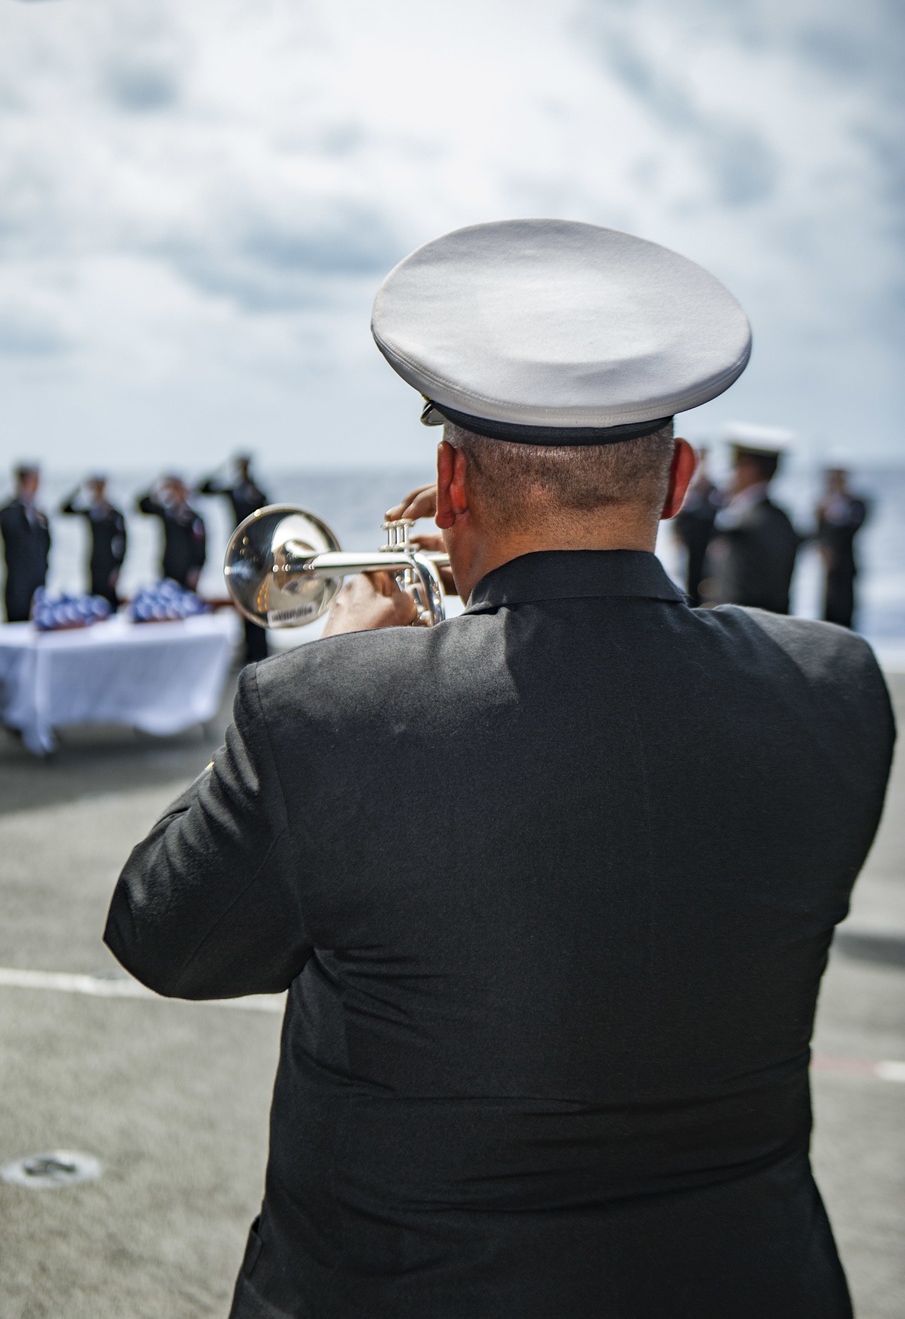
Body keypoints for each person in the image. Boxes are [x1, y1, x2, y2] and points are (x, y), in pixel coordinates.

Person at [105, 221, 895, 1319]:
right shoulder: (836, 687)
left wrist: (339, 656)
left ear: (449, 478)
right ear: (676, 477)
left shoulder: (325, 711)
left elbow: (165, 936)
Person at [704, 428, 801, 613]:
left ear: (750, 470)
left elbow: (767, 594)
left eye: (735, 465)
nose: (730, 474)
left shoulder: (766, 522)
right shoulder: (747, 515)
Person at [199, 455, 270, 660]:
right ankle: (248, 650)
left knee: (258, 600)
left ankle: (261, 650)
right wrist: (222, 468)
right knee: (242, 599)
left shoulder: (257, 491)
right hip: (237, 551)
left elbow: (268, 515)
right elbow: (203, 488)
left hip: (257, 554)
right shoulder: (233, 490)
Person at [60, 475, 127, 611]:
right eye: (96, 487)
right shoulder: (91, 512)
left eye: (101, 487)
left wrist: (119, 567)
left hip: (110, 563)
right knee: (93, 599)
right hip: (94, 561)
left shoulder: (114, 513)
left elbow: (124, 542)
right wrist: (80, 488)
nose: (99, 491)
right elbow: (64, 509)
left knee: (111, 600)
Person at [0, 464, 50, 623]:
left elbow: (46, 545)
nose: (38, 486)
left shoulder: (40, 514)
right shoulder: (8, 511)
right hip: (17, 586)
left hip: (38, 583)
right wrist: (23, 505)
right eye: (34, 481)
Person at [817, 466, 868, 629]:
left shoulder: (856, 503)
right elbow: (818, 533)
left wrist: (836, 517)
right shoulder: (822, 506)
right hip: (829, 566)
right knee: (828, 607)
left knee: (847, 607)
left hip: (847, 563)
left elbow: (856, 526)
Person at [136, 476, 206, 591]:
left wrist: (197, 568)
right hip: (168, 566)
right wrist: (158, 488)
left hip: (187, 569)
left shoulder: (194, 518)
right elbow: (142, 505)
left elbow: (200, 546)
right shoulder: (167, 514)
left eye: (179, 490)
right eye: (173, 491)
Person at [671, 445, 720, 604]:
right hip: (690, 548)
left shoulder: (713, 491)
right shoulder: (689, 491)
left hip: (707, 548)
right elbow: (679, 519)